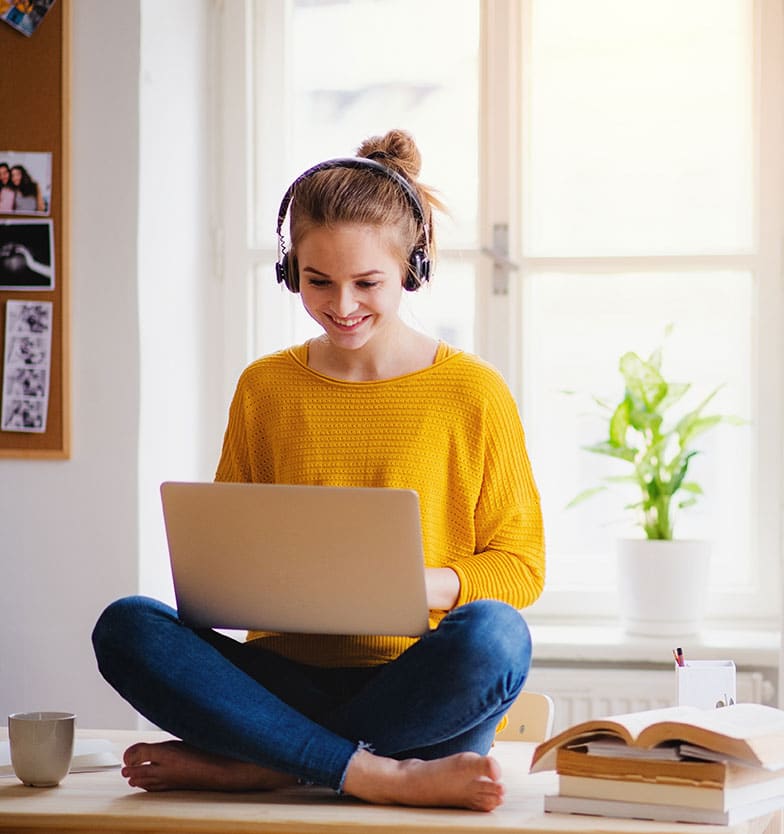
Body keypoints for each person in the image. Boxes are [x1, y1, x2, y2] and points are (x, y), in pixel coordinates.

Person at [91, 129, 545, 813]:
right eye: (317, 281)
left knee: (497, 637)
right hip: (281, 682)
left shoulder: (471, 392)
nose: (341, 305)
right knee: (126, 627)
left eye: (368, 283)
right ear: (289, 270)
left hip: (414, 687)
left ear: (411, 269)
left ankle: (267, 765)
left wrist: (417, 584)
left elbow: (522, 566)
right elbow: (226, 555)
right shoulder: (265, 388)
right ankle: (370, 772)